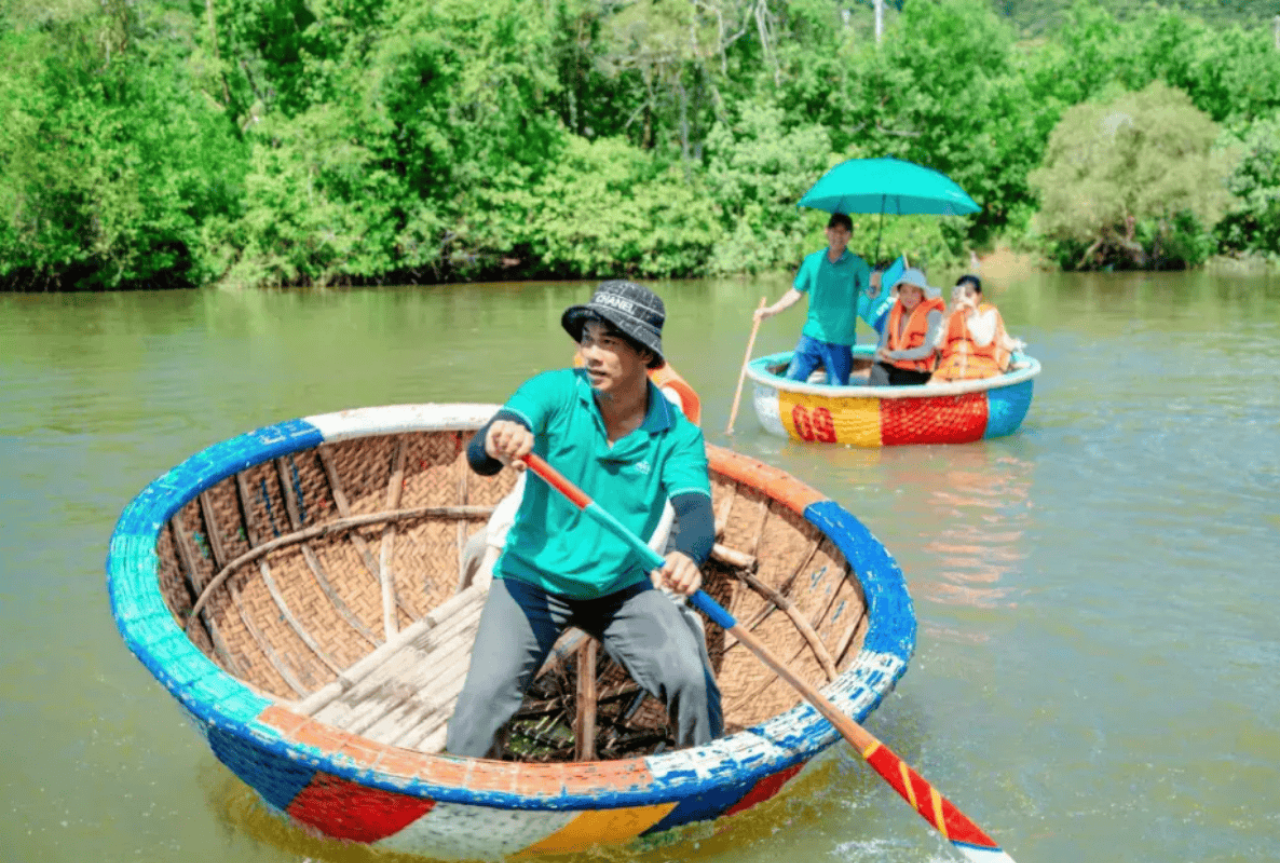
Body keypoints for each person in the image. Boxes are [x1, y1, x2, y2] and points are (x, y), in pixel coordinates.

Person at [445, 280, 723, 759]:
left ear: (644, 354)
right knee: (481, 704)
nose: (591, 355)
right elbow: (484, 450)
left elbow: (696, 510)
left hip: (620, 589)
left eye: (608, 343)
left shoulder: (676, 433)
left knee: (689, 678)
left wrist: (688, 555)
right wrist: (496, 440)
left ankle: (706, 774)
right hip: (531, 582)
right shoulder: (554, 391)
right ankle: (467, 802)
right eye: (587, 340)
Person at [754, 213, 870, 386]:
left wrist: (875, 284)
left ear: (850, 236)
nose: (838, 236)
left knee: (838, 392)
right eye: (834, 231)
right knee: (791, 383)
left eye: (843, 232)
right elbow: (795, 292)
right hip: (811, 337)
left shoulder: (858, 265)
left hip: (840, 341)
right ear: (826, 231)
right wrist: (771, 310)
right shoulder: (812, 261)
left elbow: (872, 294)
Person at [932, 274, 1026, 382]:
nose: (964, 299)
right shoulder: (949, 314)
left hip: (982, 374)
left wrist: (972, 312)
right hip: (949, 373)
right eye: (961, 295)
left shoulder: (988, 314)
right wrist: (946, 317)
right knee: (933, 383)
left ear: (979, 296)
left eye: (969, 295)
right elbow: (937, 344)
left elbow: (982, 340)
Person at [868, 268, 946, 387]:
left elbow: (927, 350)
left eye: (914, 291)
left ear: (922, 293)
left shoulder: (933, 315)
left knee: (900, 379)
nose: (909, 296)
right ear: (899, 293)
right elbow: (881, 346)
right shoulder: (892, 313)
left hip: (918, 369)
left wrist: (895, 355)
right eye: (904, 291)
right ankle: (878, 404)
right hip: (894, 363)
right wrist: (883, 355)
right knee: (877, 371)